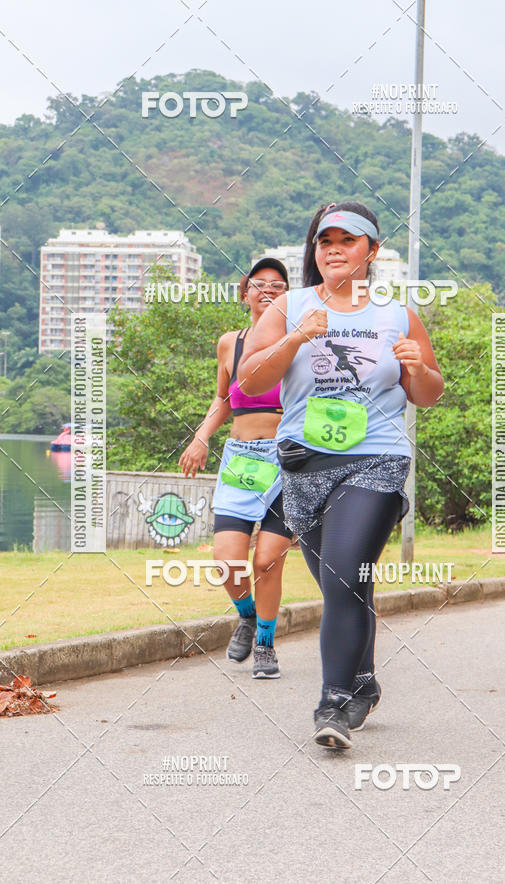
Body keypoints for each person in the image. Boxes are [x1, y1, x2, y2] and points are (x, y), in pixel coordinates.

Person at [236, 201, 444, 747]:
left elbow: (428, 393)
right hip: (305, 464)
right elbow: (251, 381)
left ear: (371, 251)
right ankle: (364, 682)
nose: (333, 248)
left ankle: (332, 703)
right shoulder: (289, 307)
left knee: (345, 573)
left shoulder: (396, 314)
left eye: (348, 240)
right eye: (324, 240)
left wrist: (418, 369)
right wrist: (295, 338)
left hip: (376, 459)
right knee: (344, 586)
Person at [178, 258, 293, 679]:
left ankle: (265, 643)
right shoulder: (231, 343)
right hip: (242, 459)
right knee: (227, 559)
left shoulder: (297, 341)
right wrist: (201, 436)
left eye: (278, 286)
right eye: (259, 285)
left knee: (267, 560)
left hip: (288, 462)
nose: (268, 291)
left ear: (288, 296)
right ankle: (246, 615)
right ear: (244, 294)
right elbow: (224, 399)